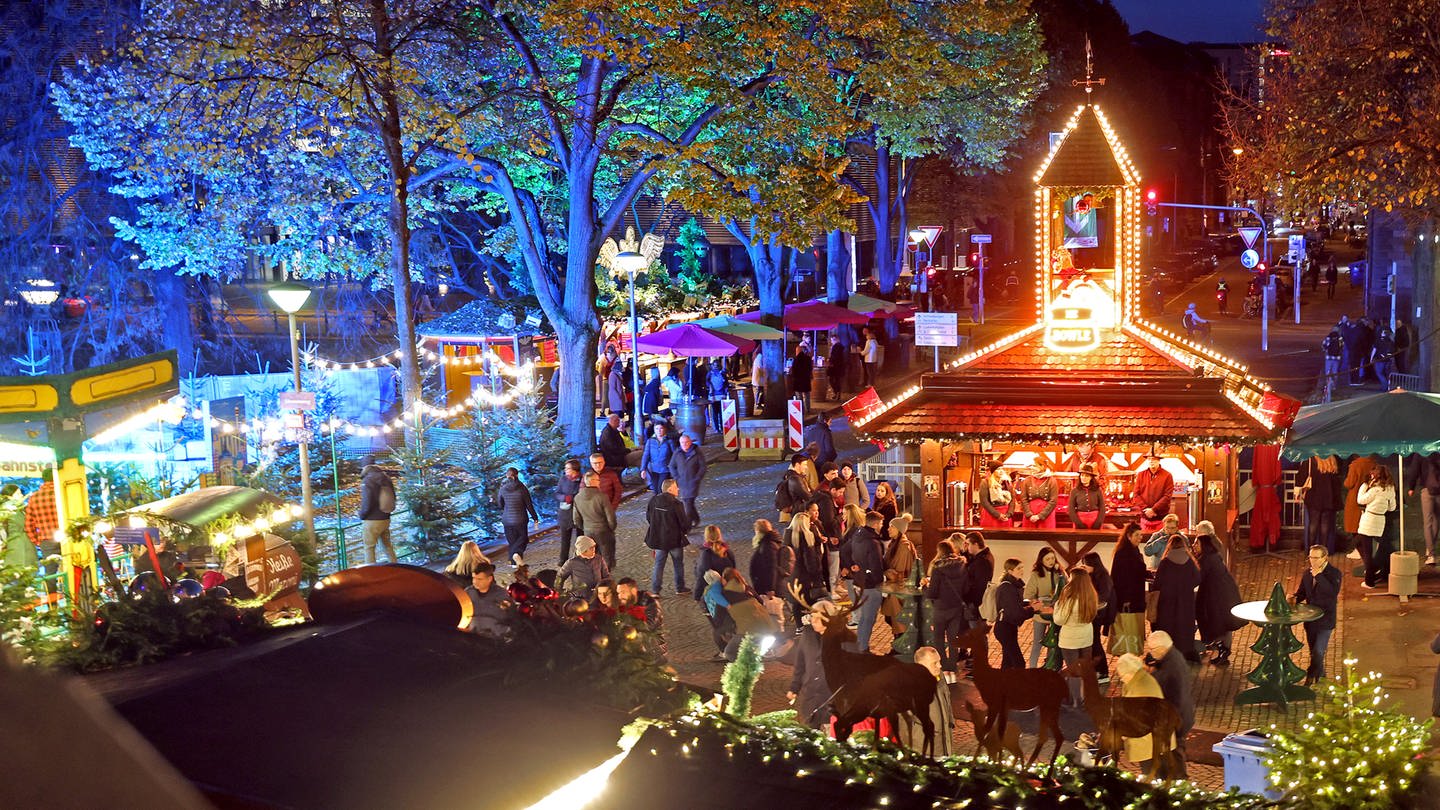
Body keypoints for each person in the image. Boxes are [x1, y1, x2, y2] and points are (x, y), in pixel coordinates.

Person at [1049, 566, 1098, 706]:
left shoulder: (1069, 598)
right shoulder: (1091, 596)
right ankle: (1085, 696)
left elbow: (1059, 620)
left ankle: (1075, 699)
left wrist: (1057, 605)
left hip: (1070, 639)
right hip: (1086, 636)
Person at [1115, 653, 1172, 774]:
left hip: (1149, 743)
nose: (1122, 679)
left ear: (1130, 671)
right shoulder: (1139, 680)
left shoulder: (1139, 688)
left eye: (1122, 675)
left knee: (1152, 775)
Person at [1293, 545, 1342, 685]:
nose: (1312, 561)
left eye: (1316, 558)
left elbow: (1332, 593)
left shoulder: (1334, 573)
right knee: (1314, 652)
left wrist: (1319, 576)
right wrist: (1293, 598)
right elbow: (1302, 593)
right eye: (1310, 557)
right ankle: (1321, 677)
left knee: (1319, 651)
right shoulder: (1307, 574)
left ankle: (1310, 676)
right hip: (1311, 620)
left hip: (1326, 619)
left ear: (1324, 558)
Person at [788, 599, 839, 728]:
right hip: (811, 698)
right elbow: (800, 664)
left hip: (832, 700)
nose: (812, 621)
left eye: (817, 618)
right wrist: (794, 687)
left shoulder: (844, 640)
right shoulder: (807, 635)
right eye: (812, 617)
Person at [923, 537, 969, 680]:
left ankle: (943, 667)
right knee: (952, 638)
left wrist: (925, 586)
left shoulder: (938, 568)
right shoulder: (962, 565)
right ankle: (952, 668)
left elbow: (932, 592)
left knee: (938, 638)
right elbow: (966, 587)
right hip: (956, 608)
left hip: (940, 609)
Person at [1194, 534, 1244, 667]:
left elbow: (1197, 578)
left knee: (1219, 624)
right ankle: (1223, 652)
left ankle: (1223, 652)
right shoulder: (1213, 557)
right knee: (1223, 624)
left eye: (1197, 544)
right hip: (1223, 596)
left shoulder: (1206, 560)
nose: (1194, 547)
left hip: (1218, 599)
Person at [842, 510, 886, 654]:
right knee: (868, 618)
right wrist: (881, 584)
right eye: (881, 522)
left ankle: (860, 644)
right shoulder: (873, 542)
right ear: (875, 523)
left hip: (859, 581)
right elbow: (876, 566)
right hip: (871, 585)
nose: (882, 525)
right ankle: (862, 648)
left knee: (863, 617)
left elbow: (843, 550)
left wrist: (850, 566)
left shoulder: (857, 535)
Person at [1152, 535, 1201, 663]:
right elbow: (1197, 579)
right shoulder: (1189, 561)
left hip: (1167, 601)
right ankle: (1185, 650)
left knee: (1168, 625)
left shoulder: (1165, 562)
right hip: (1186, 601)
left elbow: (1157, 583)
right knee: (1184, 626)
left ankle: (1168, 652)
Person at [898, 646, 954, 757]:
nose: (940, 666)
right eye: (935, 663)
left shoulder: (939, 676)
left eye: (939, 661)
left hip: (944, 747)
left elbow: (946, 702)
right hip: (923, 750)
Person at [1145, 631, 1195, 748]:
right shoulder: (1173, 655)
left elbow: (1159, 684)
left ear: (1162, 648)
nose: (1150, 653)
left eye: (1152, 649)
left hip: (1176, 722)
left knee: (1176, 754)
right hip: (1182, 717)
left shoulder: (1171, 670)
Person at [644, 478, 691, 596]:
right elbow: (683, 522)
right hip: (674, 540)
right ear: (670, 489)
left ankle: (655, 590)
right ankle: (680, 588)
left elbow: (649, 517)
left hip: (659, 540)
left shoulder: (653, 501)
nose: (678, 489)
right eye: (676, 487)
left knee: (659, 565)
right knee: (678, 564)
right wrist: (684, 531)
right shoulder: (676, 504)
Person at [1109, 523, 1148, 657]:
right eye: (1137, 535)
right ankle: (1127, 654)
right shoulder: (1123, 554)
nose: (1140, 538)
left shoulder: (1134, 551)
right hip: (1128, 600)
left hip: (1135, 598)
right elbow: (1120, 579)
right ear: (1129, 536)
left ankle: (1131, 654)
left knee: (1134, 628)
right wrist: (1125, 599)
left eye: (1141, 535)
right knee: (1129, 629)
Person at [784, 511, 828, 628]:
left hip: (793, 577)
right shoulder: (806, 537)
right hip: (806, 578)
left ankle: (799, 626)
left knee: (797, 602)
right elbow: (811, 562)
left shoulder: (788, 538)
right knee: (811, 603)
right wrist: (818, 577)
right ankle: (812, 627)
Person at [1024, 548, 1066, 669]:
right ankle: (1032, 667)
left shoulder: (1060, 573)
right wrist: (1037, 602)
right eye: (1047, 559)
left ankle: (1049, 665)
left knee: (1053, 643)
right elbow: (1028, 595)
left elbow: (1066, 588)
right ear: (1041, 560)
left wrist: (1062, 574)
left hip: (1056, 614)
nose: (1051, 561)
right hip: (1041, 614)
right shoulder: (1036, 575)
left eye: (1053, 558)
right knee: (1038, 642)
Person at [1358, 464, 1398, 589]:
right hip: (1380, 520)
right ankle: (1376, 569)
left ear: (1377, 475)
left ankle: (1369, 580)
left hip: (1369, 519)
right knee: (1384, 546)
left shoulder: (1374, 490)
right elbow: (1392, 507)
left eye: (1373, 473)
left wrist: (1364, 485)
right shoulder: (1390, 488)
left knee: (1366, 550)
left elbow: (1360, 500)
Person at [1296, 455, 1344, 555]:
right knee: (1325, 525)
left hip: (1314, 497)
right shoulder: (1332, 460)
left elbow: (1301, 476)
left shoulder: (1310, 460)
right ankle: (1323, 551)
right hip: (1329, 498)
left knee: (1313, 524)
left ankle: (1311, 550)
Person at [993, 556, 1033, 671]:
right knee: (1018, 662)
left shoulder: (1013, 586)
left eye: (1022, 568)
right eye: (1018, 568)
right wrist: (1032, 609)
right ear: (1010, 571)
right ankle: (1017, 686)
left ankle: (1003, 686)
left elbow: (1015, 604)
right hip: (1004, 628)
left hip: (1008, 627)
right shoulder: (1007, 588)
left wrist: (1028, 604)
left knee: (1008, 661)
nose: (1022, 570)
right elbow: (1015, 612)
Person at [573, 471, 619, 571]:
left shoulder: (577, 497)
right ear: (592, 481)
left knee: (593, 556)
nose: (599, 482)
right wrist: (611, 528)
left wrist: (585, 528)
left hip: (588, 531)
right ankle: (605, 578)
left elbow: (576, 519)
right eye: (598, 480)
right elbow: (610, 517)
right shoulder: (602, 497)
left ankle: (595, 575)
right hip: (604, 531)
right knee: (606, 556)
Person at [749, 519, 790, 629]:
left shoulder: (768, 545)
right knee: (774, 614)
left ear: (758, 531)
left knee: (775, 615)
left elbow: (771, 567)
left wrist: (770, 588)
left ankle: (780, 638)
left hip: (770, 588)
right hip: (769, 586)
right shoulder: (769, 542)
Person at [1082, 550, 1116, 680]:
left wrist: (1091, 604)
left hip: (1098, 614)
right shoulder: (1093, 575)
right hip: (1093, 612)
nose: (1084, 566)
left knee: (1095, 642)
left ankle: (1102, 671)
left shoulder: (1102, 577)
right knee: (1093, 642)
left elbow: (1104, 597)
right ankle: (1098, 670)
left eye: (1086, 564)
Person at [496, 468, 539, 566]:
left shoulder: (502, 489)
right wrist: (535, 517)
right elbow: (529, 505)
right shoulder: (522, 488)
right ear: (517, 475)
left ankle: (514, 563)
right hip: (521, 519)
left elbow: (500, 504)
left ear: (507, 476)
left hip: (507, 520)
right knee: (523, 539)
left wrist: (506, 508)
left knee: (512, 542)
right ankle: (515, 556)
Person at [357, 462, 398, 566]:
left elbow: (367, 502)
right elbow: (394, 496)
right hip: (385, 518)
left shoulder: (368, 481)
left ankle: (371, 572)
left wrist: (362, 515)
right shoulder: (387, 479)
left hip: (372, 520)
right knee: (387, 545)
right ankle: (395, 566)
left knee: (369, 547)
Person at [1343, 455, 1380, 564]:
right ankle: (1369, 559)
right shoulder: (1374, 464)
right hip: (1370, 499)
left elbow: (1349, 483)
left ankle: (1367, 561)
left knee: (1355, 529)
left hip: (1355, 500)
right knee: (1366, 530)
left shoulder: (1355, 465)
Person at [810, 481, 846, 591]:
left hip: (830, 537)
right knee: (833, 564)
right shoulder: (827, 501)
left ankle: (835, 585)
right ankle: (833, 589)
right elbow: (829, 522)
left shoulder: (823, 497)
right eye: (840, 492)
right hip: (832, 537)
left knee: (835, 563)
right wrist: (841, 516)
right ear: (833, 490)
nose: (841, 494)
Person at [1406, 453, 1440, 566]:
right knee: (1436, 521)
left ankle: (1431, 554)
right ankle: (1430, 548)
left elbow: (1414, 470)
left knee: (1428, 522)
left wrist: (1411, 487)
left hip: (1427, 489)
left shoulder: (1421, 450)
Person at [667, 432, 707, 527]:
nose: (684, 445)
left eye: (686, 442)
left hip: (693, 483)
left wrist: (697, 478)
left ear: (690, 442)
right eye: (682, 443)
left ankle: (687, 526)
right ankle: (696, 519)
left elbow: (703, 467)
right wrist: (677, 477)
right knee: (689, 503)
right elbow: (672, 466)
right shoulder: (677, 453)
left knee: (688, 504)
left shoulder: (696, 452)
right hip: (682, 482)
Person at [1131, 453, 1175, 534]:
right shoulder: (1141, 475)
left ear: (1159, 460)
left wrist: (1153, 509)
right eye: (1149, 459)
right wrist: (1146, 510)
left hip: (1161, 518)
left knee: (1160, 542)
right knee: (1144, 543)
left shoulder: (1167, 475)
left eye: (1154, 459)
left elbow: (1167, 496)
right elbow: (1136, 495)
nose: (1151, 461)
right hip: (1145, 517)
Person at [465, 563, 511, 638]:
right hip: (475, 638)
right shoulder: (468, 593)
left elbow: (510, 616)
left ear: (489, 579)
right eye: (474, 578)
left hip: (497, 638)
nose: (475, 582)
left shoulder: (500, 594)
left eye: (479, 579)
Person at [961, 532, 994, 636]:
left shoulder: (982, 561)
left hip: (976, 604)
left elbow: (980, 586)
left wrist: (971, 602)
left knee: (978, 634)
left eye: (968, 544)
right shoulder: (981, 557)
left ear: (975, 544)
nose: (966, 547)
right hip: (976, 602)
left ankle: (978, 652)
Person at [556, 536, 610, 600]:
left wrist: (607, 588)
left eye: (594, 547)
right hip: (581, 598)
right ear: (583, 550)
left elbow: (606, 576)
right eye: (591, 548)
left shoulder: (599, 559)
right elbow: (560, 577)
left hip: (598, 596)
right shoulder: (572, 563)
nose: (594, 550)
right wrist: (560, 592)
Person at [693, 525, 737, 602]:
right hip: (728, 589)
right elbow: (733, 569)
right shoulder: (727, 551)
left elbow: (702, 575)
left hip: (714, 592)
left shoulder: (706, 554)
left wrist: (697, 596)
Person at [554, 459, 583, 565]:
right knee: (565, 539)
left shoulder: (582, 480)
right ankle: (563, 560)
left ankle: (581, 558)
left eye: (567, 468)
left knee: (580, 538)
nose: (565, 470)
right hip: (565, 513)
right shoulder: (563, 479)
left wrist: (574, 498)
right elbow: (557, 493)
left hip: (579, 512)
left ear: (575, 469)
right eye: (565, 468)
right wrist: (564, 498)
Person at [1018, 460, 1058, 529]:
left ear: (1042, 466)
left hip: (1046, 515)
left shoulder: (1052, 481)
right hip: (1030, 513)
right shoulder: (1027, 480)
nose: (1032, 468)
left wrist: (1040, 516)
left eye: (1034, 466)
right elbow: (1023, 498)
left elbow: (1053, 500)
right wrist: (1029, 514)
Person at [640, 422, 678, 494]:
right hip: (654, 470)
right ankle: (658, 504)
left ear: (664, 429)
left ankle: (664, 504)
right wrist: (643, 469)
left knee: (661, 489)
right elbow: (646, 455)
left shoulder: (669, 441)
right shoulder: (650, 441)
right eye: (657, 429)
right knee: (655, 490)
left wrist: (673, 467)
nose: (659, 430)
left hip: (665, 469)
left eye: (661, 428)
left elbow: (675, 455)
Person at [775, 453, 812, 524]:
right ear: (797, 465)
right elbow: (806, 495)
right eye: (804, 465)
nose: (806, 467)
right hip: (799, 511)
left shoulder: (791, 476)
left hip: (796, 510)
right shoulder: (795, 479)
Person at [1068, 463, 1107, 529]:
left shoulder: (1097, 490)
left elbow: (1102, 507)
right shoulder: (1074, 491)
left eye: (1086, 476)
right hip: (1080, 520)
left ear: (1091, 477)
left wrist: (1098, 522)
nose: (1083, 478)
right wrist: (1078, 523)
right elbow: (1071, 509)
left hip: (1095, 519)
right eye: (1082, 475)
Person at [706, 362, 730, 433]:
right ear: (712, 366)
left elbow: (726, 383)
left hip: (721, 395)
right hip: (713, 396)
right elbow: (707, 382)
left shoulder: (722, 373)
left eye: (717, 365)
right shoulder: (710, 374)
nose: (715, 367)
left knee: (721, 412)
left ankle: (722, 428)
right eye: (714, 365)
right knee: (715, 413)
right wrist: (710, 387)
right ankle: (716, 428)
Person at [790, 344, 814, 411]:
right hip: (806, 379)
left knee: (799, 396)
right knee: (807, 395)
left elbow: (794, 370)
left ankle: (801, 409)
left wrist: (793, 377)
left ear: (798, 351)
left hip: (798, 380)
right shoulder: (808, 358)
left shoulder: (796, 359)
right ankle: (808, 409)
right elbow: (810, 368)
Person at [826, 336, 848, 401]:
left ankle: (836, 393)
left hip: (835, 366)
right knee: (836, 380)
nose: (832, 341)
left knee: (833, 380)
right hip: (838, 366)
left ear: (836, 339)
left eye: (833, 340)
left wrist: (830, 360)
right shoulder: (840, 346)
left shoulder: (836, 346)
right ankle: (837, 393)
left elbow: (835, 357)